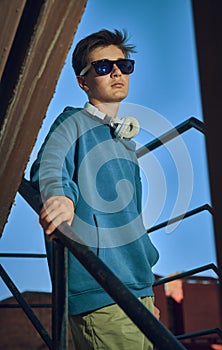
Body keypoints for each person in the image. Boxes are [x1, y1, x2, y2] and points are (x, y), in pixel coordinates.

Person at [30, 29, 160, 350]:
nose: (116, 72)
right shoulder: (72, 123)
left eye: (123, 65)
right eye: (103, 66)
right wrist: (60, 196)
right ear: (83, 82)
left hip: (139, 292)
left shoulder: (125, 144)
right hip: (100, 294)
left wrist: (147, 289)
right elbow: (47, 167)